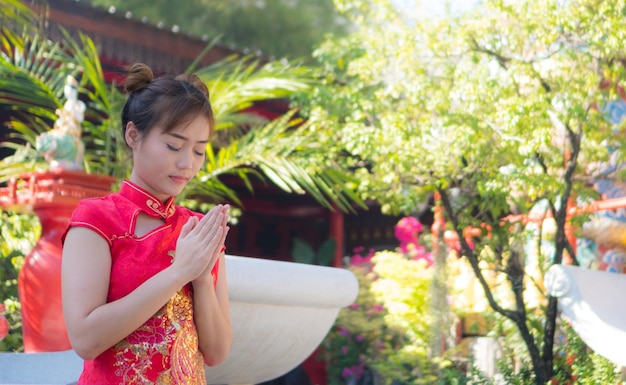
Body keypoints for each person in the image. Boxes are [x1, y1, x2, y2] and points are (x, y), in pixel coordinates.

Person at [61, 63, 232, 384]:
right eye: (174, 146)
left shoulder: (198, 230)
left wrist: (202, 279)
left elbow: (217, 353)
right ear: (133, 135)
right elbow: (85, 340)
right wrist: (179, 272)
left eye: (199, 151)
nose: (187, 163)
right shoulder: (96, 219)